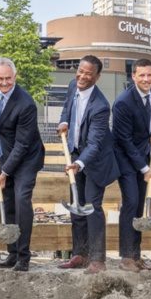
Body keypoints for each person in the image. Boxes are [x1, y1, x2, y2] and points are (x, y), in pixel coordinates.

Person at [56, 55, 120, 274]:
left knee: (92, 207)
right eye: (80, 71)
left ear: (97, 77)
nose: (82, 76)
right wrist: (64, 121)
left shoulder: (101, 106)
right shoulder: (73, 85)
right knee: (77, 207)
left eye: (88, 74)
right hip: (75, 153)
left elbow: (94, 144)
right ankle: (79, 254)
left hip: (95, 160)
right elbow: (67, 107)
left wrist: (80, 163)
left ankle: (97, 259)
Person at [0, 57, 45, 272]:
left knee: (21, 200)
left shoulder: (26, 104)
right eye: (0, 79)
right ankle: (11, 252)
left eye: (8, 79)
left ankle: (23, 256)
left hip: (26, 157)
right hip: (4, 151)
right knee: (6, 200)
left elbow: (22, 144)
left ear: (15, 77)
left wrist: (5, 172)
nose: (4, 83)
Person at [112, 59, 151, 272]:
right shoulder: (123, 102)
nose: (146, 79)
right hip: (125, 158)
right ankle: (126, 257)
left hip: (143, 154)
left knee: (140, 206)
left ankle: (137, 255)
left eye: (149, 75)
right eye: (141, 75)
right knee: (130, 203)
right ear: (133, 77)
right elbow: (124, 140)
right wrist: (144, 168)